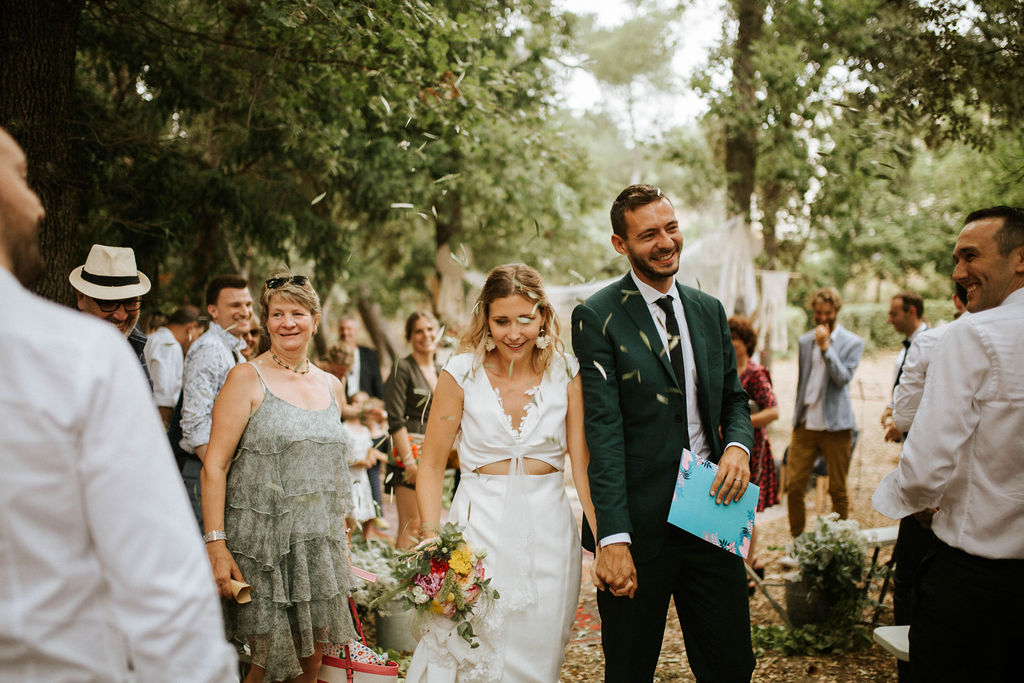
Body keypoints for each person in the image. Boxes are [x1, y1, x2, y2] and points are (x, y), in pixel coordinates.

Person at [0, 126, 237, 681]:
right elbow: (160, 579)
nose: (38, 206)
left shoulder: (132, 350)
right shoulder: (80, 357)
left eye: (128, 303)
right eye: (20, 177)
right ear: (82, 297)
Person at [572, 184, 755, 681]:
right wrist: (612, 536)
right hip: (637, 526)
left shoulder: (709, 309)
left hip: (711, 509)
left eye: (671, 227)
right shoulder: (597, 316)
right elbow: (602, 431)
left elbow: (734, 399)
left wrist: (737, 446)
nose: (666, 241)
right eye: (648, 234)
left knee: (732, 666)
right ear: (620, 244)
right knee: (629, 671)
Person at [408, 263, 598, 681]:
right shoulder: (460, 372)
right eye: (502, 321)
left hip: (549, 536)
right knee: (463, 650)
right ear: (486, 319)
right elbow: (432, 463)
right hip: (475, 533)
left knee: (540, 654)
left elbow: (581, 465)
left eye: (525, 319)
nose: (514, 333)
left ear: (543, 316)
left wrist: (604, 540)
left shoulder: (567, 372)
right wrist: (431, 538)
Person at [873, 206, 1024, 681]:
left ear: (1020, 258)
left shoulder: (972, 334)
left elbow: (923, 470)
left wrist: (911, 501)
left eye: (970, 256)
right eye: (956, 259)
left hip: (977, 584)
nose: (958, 273)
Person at [202, 273, 359, 683]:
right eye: (277, 314)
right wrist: (216, 545)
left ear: (316, 320)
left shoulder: (332, 386)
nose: (288, 322)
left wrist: (341, 538)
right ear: (266, 321)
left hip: (316, 547)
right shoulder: (245, 378)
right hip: (261, 548)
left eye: (298, 313)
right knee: (266, 666)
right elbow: (214, 466)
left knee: (311, 666)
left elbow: (331, 472)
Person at [885, 285, 966, 682]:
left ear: (957, 299)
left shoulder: (934, 342)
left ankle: (912, 668)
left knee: (909, 578)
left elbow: (904, 417)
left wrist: (917, 490)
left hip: (933, 486)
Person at [787, 286, 864, 538]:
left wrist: (826, 348)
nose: (822, 318)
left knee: (837, 489)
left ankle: (838, 542)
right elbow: (803, 382)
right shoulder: (803, 341)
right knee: (794, 486)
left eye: (827, 313)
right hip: (806, 423)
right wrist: (796, 416)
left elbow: (842, 379)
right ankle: (797, 540)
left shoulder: (853, 343)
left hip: (837, 426)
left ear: (836, 312)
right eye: (818, 313)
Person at [179, 274, 253, 525]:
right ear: (213, 310)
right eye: (235, 305)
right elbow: (194, 423)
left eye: (248, 304)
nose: (245, 311)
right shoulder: (209, 349)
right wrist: (220, 472)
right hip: (205, 474)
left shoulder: (232, 351)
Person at [728, 315, 779, 586]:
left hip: (753, 449)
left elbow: (773, 411)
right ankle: (744, 563)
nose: (731, 342)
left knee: (746, 508)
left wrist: (741, 423)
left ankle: (748, 568)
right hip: (728, 447)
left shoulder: (755, 373)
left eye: (735, 338)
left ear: (746, 342)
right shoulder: (725, 370)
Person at [384, 310, 440, 549]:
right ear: (409, 336)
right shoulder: (403, 368)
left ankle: (423, 574)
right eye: (418, 331)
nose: (425, 335)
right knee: (411, 524)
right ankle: (401, 573)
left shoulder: (442, 370)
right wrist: (409, 462)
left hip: (435, 456)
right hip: (410, 455)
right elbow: (395, 419)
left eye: (429, 329)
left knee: (429, 528)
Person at [69, 243, 153, 387]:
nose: (121, 316)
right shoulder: (63, 350)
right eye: (108, 303)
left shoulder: (133, 337)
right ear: (81, 298)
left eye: (131, 302)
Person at [338, 313, 387, 526]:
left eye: (349, 329)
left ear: (356, 331)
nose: (345, 333)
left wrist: (378, 413)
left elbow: (378, 386)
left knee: (371, 455)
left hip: (366, 410)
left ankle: (375, 511)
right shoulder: (336, 354)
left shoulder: (369, 354)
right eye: (342, 329)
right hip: (342, 414)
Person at [881, 290, 928, 443]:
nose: (889, 320)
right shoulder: (909, 345)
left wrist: (902, 423)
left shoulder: (928, 344)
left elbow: (926, 395)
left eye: (894, 314)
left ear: (911, 312)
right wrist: (893, 406)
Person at [145, 305, 201, 425]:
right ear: (191, 328)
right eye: (199, 335)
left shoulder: (150, 338)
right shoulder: (170, 345)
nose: (197, 340)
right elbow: (164, 399)